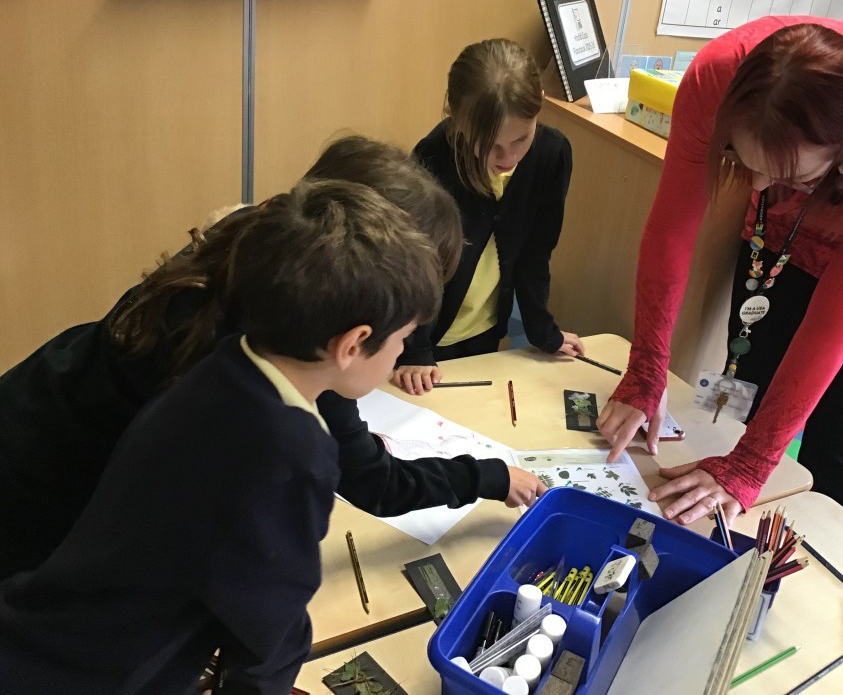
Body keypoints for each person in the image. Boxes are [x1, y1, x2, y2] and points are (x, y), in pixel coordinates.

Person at [0, 135, 545, 582]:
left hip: (39, 405)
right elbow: (369, 484)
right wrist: (489, 476)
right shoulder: (271, 355)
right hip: (41, 501)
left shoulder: (260, 258)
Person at [0, 179, 466, 691]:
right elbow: (270, 634)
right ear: (354, 344)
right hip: (104, 672)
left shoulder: (219, 368)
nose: (403, 353)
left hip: (48, 623)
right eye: (402, 340)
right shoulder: (294, 453)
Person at [596, 17, 843, 526]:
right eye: (742, 158)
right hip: (789, 231)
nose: (759, 182)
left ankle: (812, 551)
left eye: (787, 174)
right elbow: (670, 230)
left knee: (839, 431)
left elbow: (833, 324)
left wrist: (750, 466)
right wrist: (646, 370)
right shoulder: (718, 76)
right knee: (743, 383)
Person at [391, 38, 584, 395]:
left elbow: (535, 254)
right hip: (424, 340)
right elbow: (413, 266)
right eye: (489, 144)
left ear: (539, 106)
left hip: (484, 331)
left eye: (521, 139)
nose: (507, 157)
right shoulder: (432, 157)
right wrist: (414, 349)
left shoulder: (551, 155)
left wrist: (544, 332)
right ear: (453, 113)